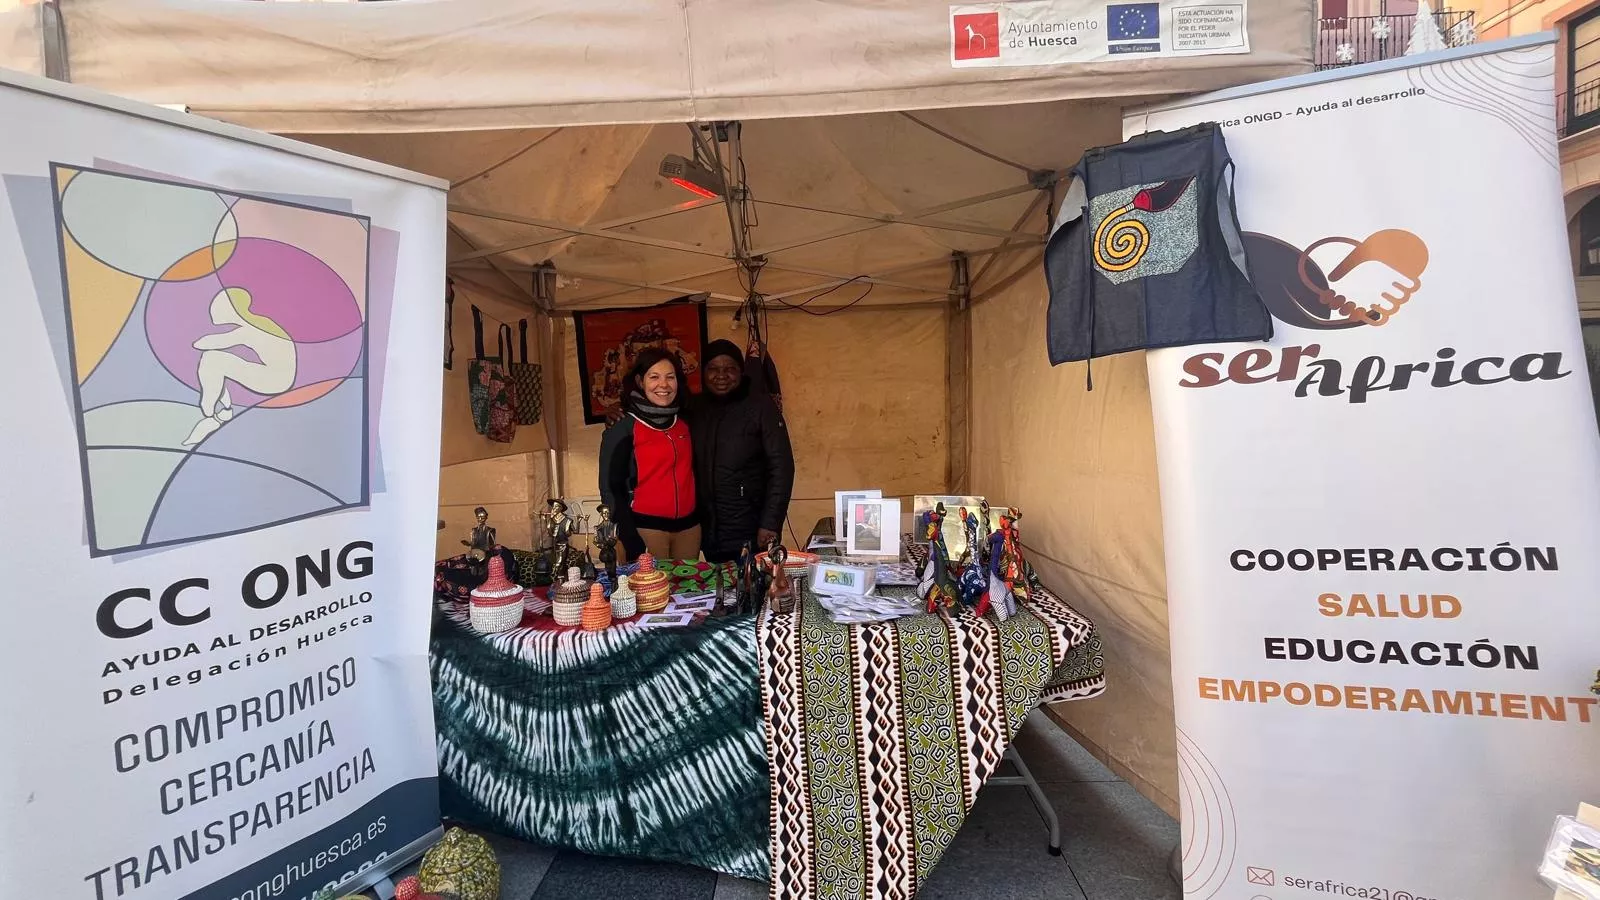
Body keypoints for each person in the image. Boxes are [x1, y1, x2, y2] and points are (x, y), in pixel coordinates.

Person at [686, 340, 795, 564]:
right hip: (709, 531)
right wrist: (616, 411)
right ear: (703, 373)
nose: (721, 375)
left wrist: (770, 522)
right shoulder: (694, 408)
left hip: (752, 530)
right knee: (719, 583)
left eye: (730, 369)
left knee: (752, 583)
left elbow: (781, 467)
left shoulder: (760, 407)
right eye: (713, 369)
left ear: (741, 372)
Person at [598, 348, 700, 561]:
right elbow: (610, 488)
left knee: (687, 583)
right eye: (654, 377)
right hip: (645, 530)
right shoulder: (623, 427)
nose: (663, 385)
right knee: (651, 584)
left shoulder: (686, 422)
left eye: (670, 377)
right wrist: (628, 536)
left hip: (688, 529)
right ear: (639, 381)